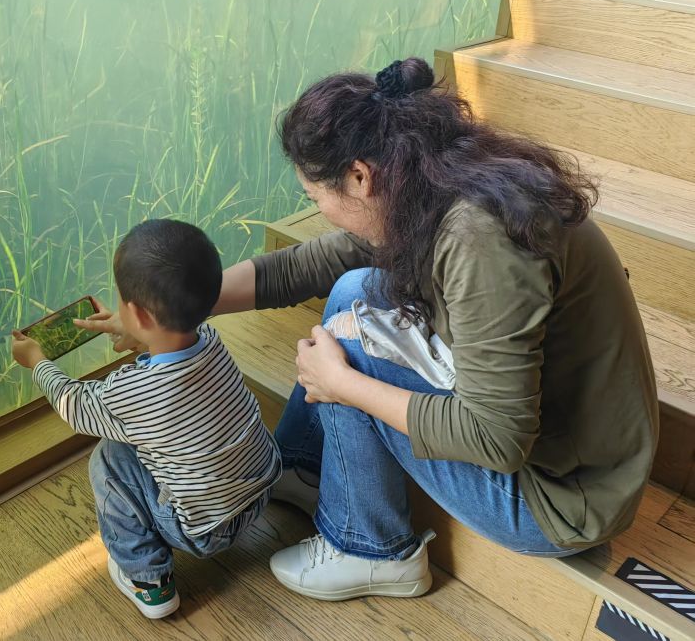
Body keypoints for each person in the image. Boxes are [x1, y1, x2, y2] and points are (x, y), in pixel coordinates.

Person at [77, 58, 658, 602]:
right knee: (356, 289)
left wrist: (343, 385)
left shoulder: (482, 242)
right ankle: (306, 466)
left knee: (349, 343)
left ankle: (373, 548)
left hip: (559, 495)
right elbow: (307, 266)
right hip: (545, 430)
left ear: (359, 176)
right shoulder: (431, 185)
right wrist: (171, 312)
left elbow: (496, 440)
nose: (318, 210)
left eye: (315, 197)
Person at [12, 219, 281, 619]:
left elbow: (75, 404)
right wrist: (143, 336)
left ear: (137, 313)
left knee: (109, 458)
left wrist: (36, 361)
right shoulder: (212, 342)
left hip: (204, 530)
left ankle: (149, 580)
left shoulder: (132, 392)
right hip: (260, 492)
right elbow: (175, 367)